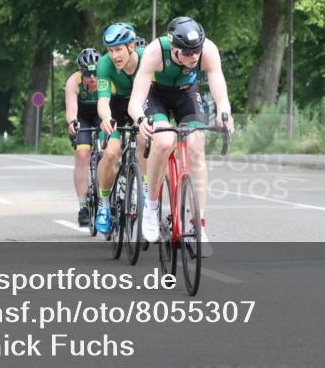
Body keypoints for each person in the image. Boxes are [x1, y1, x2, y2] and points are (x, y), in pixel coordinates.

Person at [128, 16, 234, 248]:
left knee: (197, 145)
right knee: (165, 141)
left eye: (196, 50)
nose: (193, 56)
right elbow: (135, 100)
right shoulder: (155, 52)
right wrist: (141, 119)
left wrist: (224, 113)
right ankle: (152, 206)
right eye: (186, 52)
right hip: (156, 97)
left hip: (187, 94)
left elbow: (219, 88)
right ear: (173, 47)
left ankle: (198, 226)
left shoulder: (208, 51)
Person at [92, 23, 147, 235]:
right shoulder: (105, 65)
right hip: (116, 106)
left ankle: (144, 191)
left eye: (118, 49)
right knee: (112, 152)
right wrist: (106, 117)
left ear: (131, 46)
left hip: (141, 104)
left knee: (144, 140)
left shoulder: (146, 58)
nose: (114, 55)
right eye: (110, 50)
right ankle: (104, 204)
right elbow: (103, 99)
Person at [65, 48, 101, 227]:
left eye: (95, 73)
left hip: (102, 113)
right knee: (82, 155)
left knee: (112, 149)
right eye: (88, 74)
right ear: (81, 72)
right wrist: (72, 122)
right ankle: (83, 207)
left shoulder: (106, 79)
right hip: (83, 117)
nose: (92, 78)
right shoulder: (73, 81)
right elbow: (71, 111)